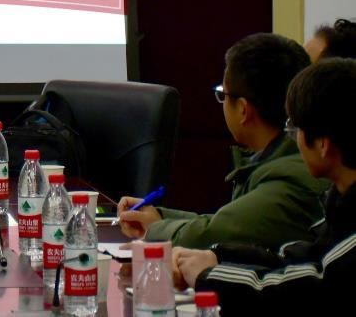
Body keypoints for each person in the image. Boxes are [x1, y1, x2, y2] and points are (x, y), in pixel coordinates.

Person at [173, 58, 356, 312]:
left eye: (295, 129)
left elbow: (311, 288)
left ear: (323, 144)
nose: (293, 139)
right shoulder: (341, 200)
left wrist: (208, 277)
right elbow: (301, 258)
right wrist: (219, 257)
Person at [118, 32, 325, 250]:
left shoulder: (288, 179)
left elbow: (212, 235)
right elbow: (227, 222)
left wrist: (156, 229)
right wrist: (160, 216)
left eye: (223, 94)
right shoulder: (280, 158)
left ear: (243, 110)